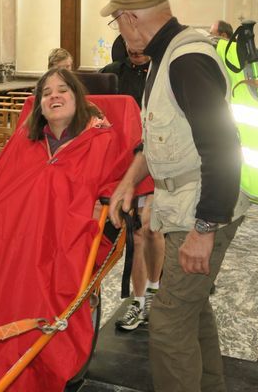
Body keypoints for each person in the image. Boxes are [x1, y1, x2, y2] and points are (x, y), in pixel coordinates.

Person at [102, 0, 248, 392]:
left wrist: (205, 229)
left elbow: (223, 147)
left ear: (130, 18)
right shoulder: (163, 59)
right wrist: (129, 181)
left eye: (117, 20)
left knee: (167, 323)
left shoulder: (187, 59)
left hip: (201, 210)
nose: (120, 30)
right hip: (185, 207)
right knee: (193, 311)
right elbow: (159, 140)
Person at [0, 68, 144, 391]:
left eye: (62, 89)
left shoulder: (102, 141)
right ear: (38, 105)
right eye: (46, 92)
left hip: (63, 254)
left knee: (45, 335)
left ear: (78, 97)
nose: (54, 96)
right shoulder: (23, 142)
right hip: (9, 255)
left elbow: (119, 192)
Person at [99, 36, 164, 331]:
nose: (136, 51)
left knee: (152, 230)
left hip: (159, 160)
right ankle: (139, 302)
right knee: (138, 235)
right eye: (131, 45)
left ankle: (154, 290)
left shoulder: (165, 72)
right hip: (125, 165)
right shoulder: (111, 73)